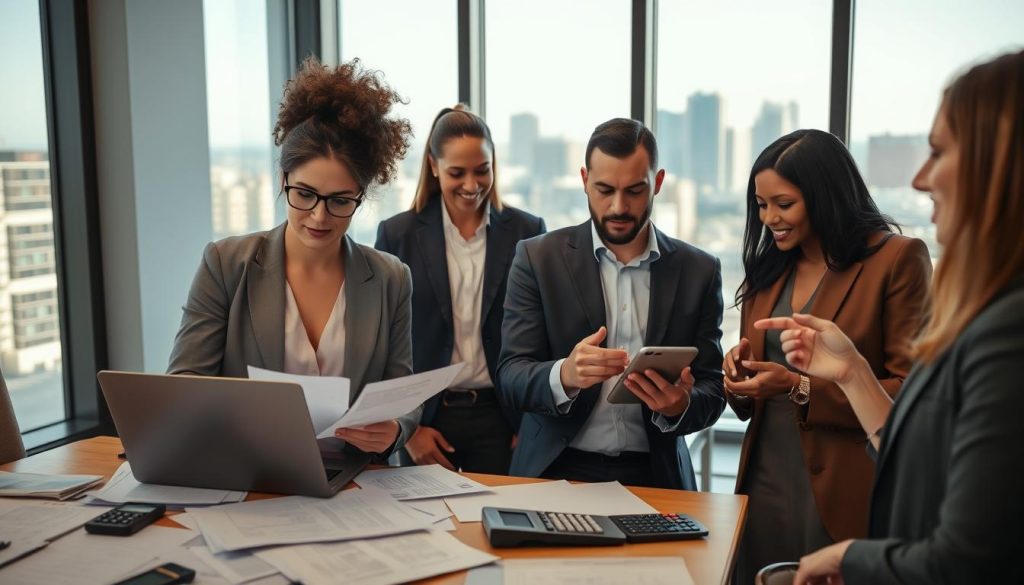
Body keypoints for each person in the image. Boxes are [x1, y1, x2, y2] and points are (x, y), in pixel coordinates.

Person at [759, 50, 1024, 584]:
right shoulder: (986, 310)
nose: (922, 179)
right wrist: (853, 372)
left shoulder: (1009, 331)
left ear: (999, 163)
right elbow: (923, 464)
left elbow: (967, 558)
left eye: (938, 152)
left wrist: (851, 559)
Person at [168, 57, 416, 457]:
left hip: (353, 481)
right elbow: (184, 383)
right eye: (304, 195)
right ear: (284, 181)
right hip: (248, 469)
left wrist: (396, 429)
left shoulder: (391, 278)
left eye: (339, 201)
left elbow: (402, 392)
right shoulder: (226, 264)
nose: (319, 216)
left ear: (361, 196)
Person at [724, 130, 932, 584]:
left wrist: (797, 386)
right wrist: (738, 377)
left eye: (783, 204)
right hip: (764, 483)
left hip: (848, 490)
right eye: (761, 205)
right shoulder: (767, 270)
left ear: (824, 195)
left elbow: (908, 394)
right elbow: (748, 404)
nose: (769, 219)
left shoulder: (897, 261)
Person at [496, 118, 725, 490]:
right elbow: (510, 377)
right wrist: (564, 376)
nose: (619, 207)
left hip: (656, 475)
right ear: (585, 180)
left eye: (635, 190)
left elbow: (713, 389)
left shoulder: (699, 270)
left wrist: (679, 405)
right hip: (556, 469)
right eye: (604, 190)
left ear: (659, 182)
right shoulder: (538, 259)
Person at [375, 106, 545, 474]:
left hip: (503, 417)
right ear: (434, 166)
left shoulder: (528, 232)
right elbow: (382, 341)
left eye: (482, 170)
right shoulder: (397, 235)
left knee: (500, 525)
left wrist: (531, 422)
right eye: (457, 173)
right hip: (426, 418)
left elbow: (542, 335)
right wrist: (410, 430)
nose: (472, 185)